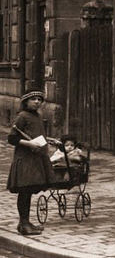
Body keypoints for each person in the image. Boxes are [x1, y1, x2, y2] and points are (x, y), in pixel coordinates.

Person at [7, 90, 54, 235]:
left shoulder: (37, 116)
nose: (37, 102)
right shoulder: (22, 116)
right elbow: (12, 138)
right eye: (33, 99)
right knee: (24, 191)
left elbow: (37, 134)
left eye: (39, 99)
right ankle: (24, 223)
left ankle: (25, 223)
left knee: (29, 191)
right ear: (25, 102)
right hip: (25, 160)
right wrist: (30, 144)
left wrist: (49, 140)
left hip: (35, 159)